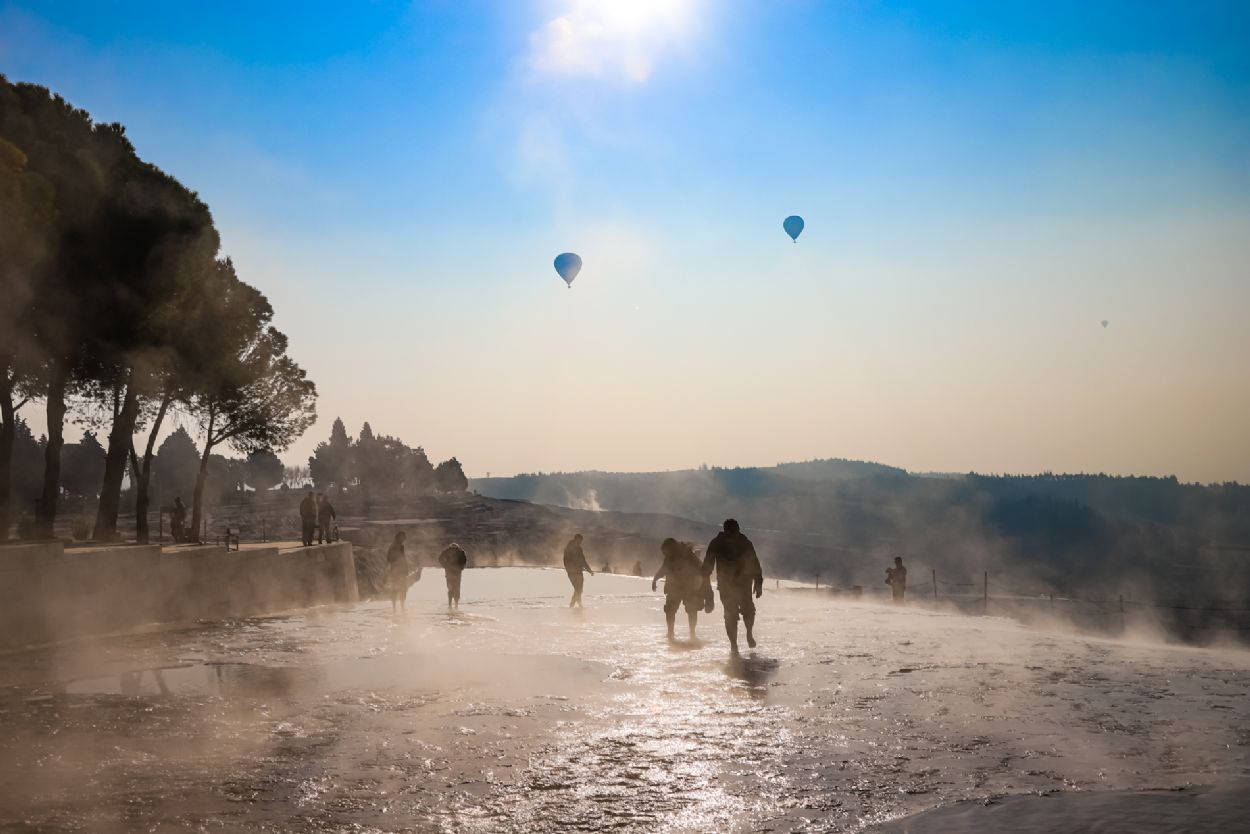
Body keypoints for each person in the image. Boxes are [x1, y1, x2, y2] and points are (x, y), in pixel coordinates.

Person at [703, 519, 763, 654]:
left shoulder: (745, 543)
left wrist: (758, 582)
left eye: (735, 534)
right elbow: (706, 568)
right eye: (731, 534)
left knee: (748, 611)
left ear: (738, 531)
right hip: (725, 584)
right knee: (730, 615)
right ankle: (734, 644)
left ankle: (749, 634)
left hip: (744, 582)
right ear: (725, 532)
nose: (733, 537)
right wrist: (708, 594)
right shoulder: (716, 543)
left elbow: (754, 563)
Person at [653, 538, 712, 640]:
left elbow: (702, 571)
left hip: (689, 588)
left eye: (666, 552)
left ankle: (692, 634)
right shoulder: (669, 557)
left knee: (691, 610)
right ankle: (670, 633)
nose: (665, 554)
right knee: (670, 610)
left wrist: (707, 594)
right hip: (674, 588)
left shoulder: (689, 556)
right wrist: (655, 579)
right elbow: (664, 569)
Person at [387, 531, 417, 613]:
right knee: (396, 589)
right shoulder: (394, 546)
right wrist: (397, 564)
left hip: (400, 572)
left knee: (402, 589)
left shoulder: (400, 546)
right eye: (403, 537)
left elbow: (402, 559)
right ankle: (396, 608)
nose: (405, 539)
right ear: (399, 537)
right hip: (396, 572)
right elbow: (389, 558)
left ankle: (400, 607)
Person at [563, 533, 593, 608]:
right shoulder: (570, 548)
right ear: (576, 539)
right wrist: (570, 569)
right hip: (573, 572)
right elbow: (566, 561)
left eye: (581, 541)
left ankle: (578, 604)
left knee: (579, 589)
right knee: (578, 589)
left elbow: (582, 560)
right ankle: (573, 605)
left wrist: (589, 570)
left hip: (577, 571)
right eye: (580, 540)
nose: (580, 542)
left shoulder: (577, 548)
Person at [438, 543, 468, 609]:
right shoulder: (461, 551)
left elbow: (440, 558)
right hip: (457, 572)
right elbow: (465, 561)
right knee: (457, 588)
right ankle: (456, 605)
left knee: (450, 588)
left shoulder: (447, 551)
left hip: (449, 572)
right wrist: (461, 568)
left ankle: (450, 605)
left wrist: (445, 565)